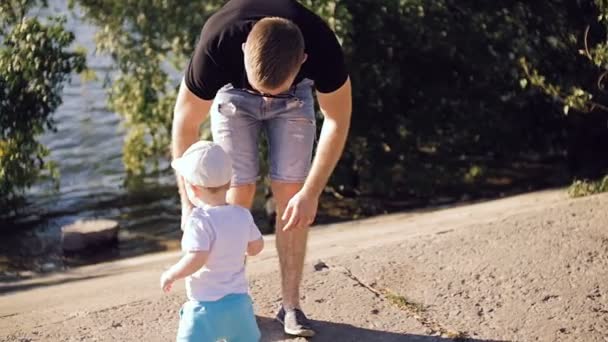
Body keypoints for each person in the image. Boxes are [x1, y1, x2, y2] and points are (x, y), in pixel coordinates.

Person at [171, 0, 352, 337]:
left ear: (303, 60)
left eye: (271, 92)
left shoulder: (322, 44)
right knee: (235, 193)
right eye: (261, 89)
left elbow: (338, 119)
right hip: (233, 97)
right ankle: (230, 300)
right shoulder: (218, 41)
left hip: (295, 98)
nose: (265, 98)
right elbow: (185, 123)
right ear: (242, 51)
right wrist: (187, 204)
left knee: (292, 196)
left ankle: (291, 306)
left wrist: (312, 193)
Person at [161, 140, 265, 342]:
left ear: (193, 188)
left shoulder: (199, 220)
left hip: (205, 307)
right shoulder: (242, 215)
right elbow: (256, 247)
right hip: (240, 304)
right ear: (228, 183)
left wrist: (171, 274)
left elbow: (197, 258)